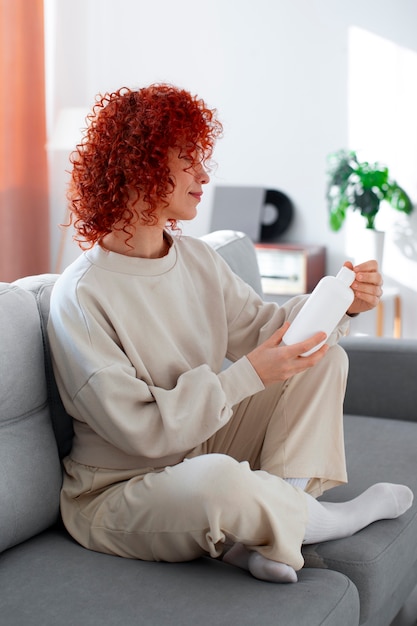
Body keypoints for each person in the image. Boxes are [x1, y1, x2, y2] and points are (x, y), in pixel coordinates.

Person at [48, 83, 413, 584]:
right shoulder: (82, 297)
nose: (204, 174)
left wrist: (341, 304)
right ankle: (323, 522)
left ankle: (268, 526)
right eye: (187, 159)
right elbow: (142, 432)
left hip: (198, 444)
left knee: (322, 358)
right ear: (141, 167)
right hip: (119, 489)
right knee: (216, 480)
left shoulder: (197, 259)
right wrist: (244, 377)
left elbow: (269, 333)